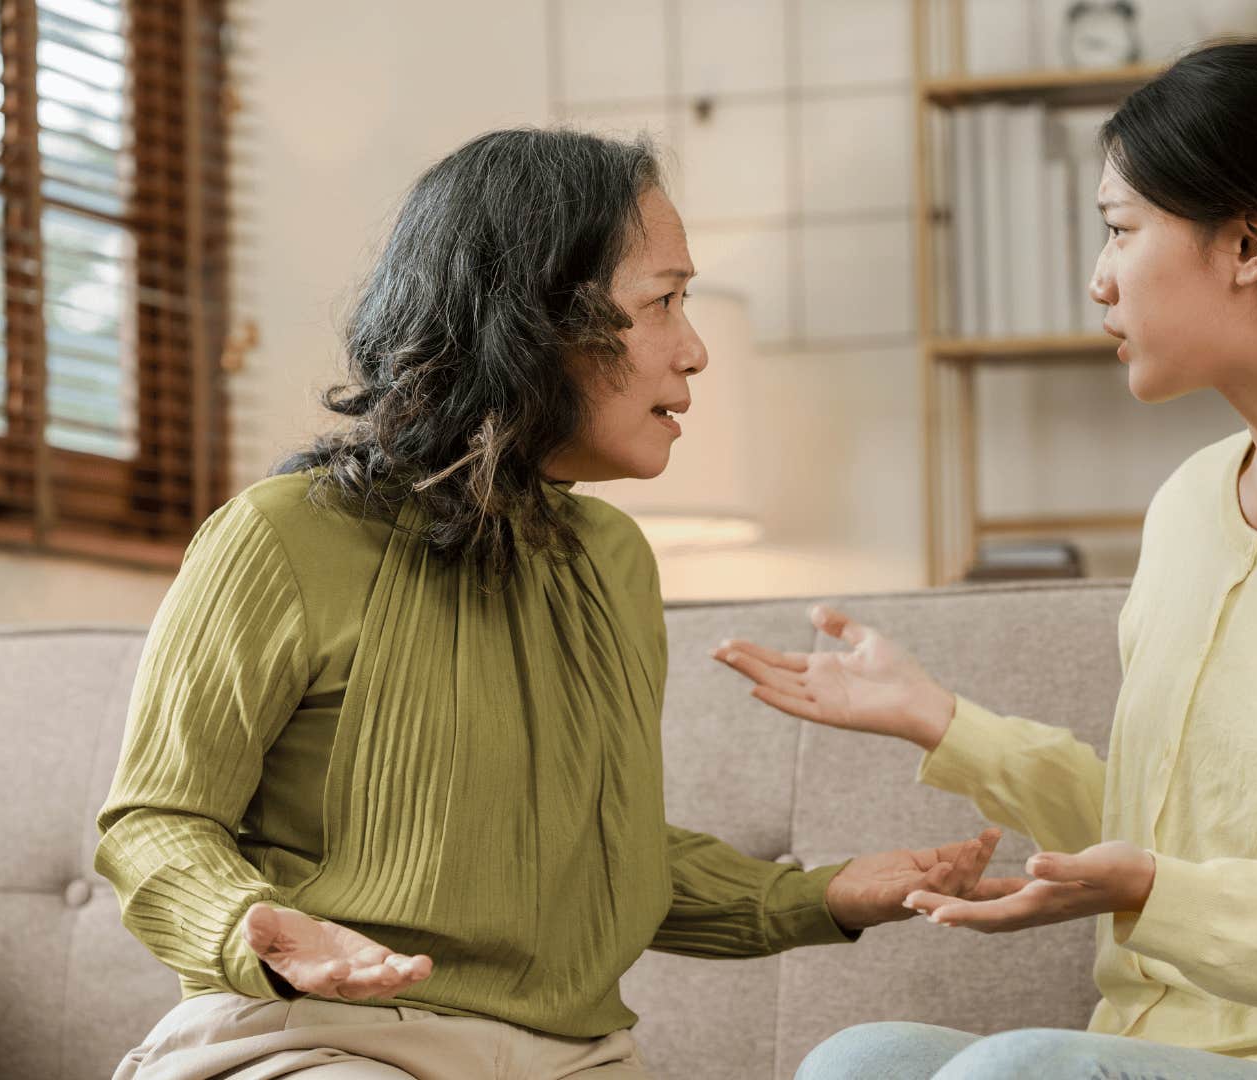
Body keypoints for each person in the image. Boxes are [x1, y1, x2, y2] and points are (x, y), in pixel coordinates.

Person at [715, 39, 1257, 1080]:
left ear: (1250, 243)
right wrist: (939, 721)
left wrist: (1157, 893)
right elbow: (1156, 840)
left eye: (1121, 232)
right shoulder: (1192, 508)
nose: (1098, 281)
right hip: (1157, 1048)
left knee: (1012, 1073)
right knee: (858, 1062)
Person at [98, 128, 1014, 1080]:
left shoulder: (613, 559)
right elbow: (155, 820)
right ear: (534, 319)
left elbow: (599, 854)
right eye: (661, 301)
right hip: (321, 1042)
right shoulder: (280, 537)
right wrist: (252, 928)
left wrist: (826, 896)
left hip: (578, 1060)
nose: (694, 350)